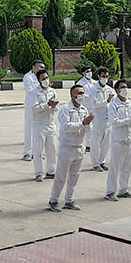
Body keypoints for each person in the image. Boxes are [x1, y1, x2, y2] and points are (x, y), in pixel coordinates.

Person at [48, 85, 93, 213]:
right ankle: (53, 200)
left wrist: (87, 124)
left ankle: (69, 200)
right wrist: (82, 123)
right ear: (72, 95)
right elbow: (66, 126)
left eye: (83, 93)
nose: (81, 96)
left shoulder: (84, 109)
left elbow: (88, 129)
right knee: (61, 176)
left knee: (74, 176)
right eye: (79, 93)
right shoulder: (66, 109)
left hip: (79, 146)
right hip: (67, 147)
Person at [105, 80, 131, 201]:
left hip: (130, 139)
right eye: (122, 87)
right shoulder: (113, 105)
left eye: (126, 87)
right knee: (115, 167)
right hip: (118, 140)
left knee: (127, 167)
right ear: (117, 90)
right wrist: (130, 118)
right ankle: (110, 192)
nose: (125, 89)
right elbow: (114, 122)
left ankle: (124, 190)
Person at [28, 69, 59, 182]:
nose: (46, 80)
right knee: (38, 151)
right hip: (39, 125)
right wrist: (47, 105)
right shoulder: (34, 93)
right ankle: (38, 173)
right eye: (43, 79)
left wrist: (54, 106)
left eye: (46, 78)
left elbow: (57, 108)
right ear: (38, 80)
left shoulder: (52, 91)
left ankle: (51, 171)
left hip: (50, 124)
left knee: (52, 150)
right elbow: (34, 109)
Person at [86, 67, 115, 172]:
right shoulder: (93, 89)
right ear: (98, 76)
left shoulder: (109, 89)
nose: (105, 78)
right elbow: (94, 104)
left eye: (107, 76)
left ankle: (102, 161)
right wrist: (106, 101)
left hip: (108, 120)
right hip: (98, 119)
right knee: (96, 143)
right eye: (103, 76)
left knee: (106, 143)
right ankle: (95, 163)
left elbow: (113, 104)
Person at [21, 60, 46, 161]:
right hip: (31, 106)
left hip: (42, 106)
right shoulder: (28, 77)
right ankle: (27, 152)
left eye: (43, 67)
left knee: (40, 130)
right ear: (34, 67)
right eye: (40, 67)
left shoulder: (43, 76)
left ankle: (38, 153)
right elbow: (31, 91)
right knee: (29, 130)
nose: (41, 69)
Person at [77, 65, 95, 152]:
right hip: (85, 107)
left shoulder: (95, 83)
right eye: (87, 72)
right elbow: (80, 95)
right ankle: (85, 144)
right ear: (83, 73)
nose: (89, 73)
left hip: (94, 107)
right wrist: (90, 97)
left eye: (90, 71)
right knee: (86, 126)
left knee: (94, 127)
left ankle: (91, 144)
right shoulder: (80, 83)